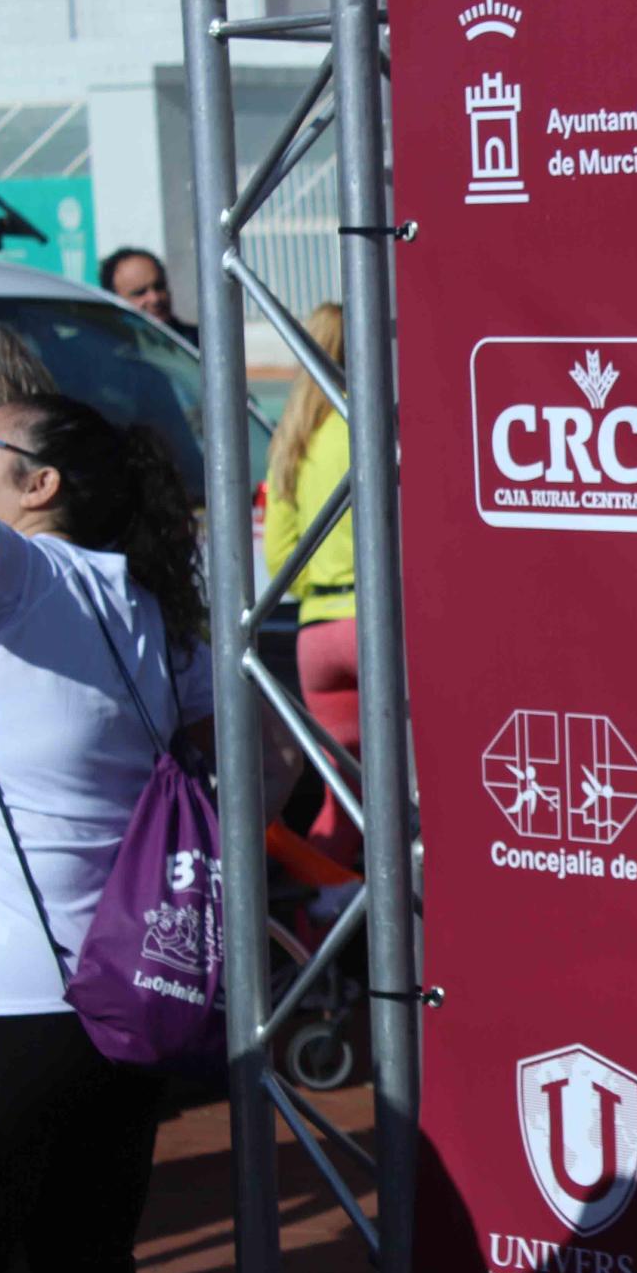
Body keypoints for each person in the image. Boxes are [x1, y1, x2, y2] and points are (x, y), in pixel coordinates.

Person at [0, 392, 292, 1273]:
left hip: (13, 1002)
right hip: (130, 992)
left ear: (38, 484)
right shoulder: (146, 602)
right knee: (85, 1262)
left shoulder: (22, 576)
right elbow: (272, 761)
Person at [265, 302, 360, 868]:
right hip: (378, 625)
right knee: (416, 786)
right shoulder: (373, 427)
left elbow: (279, 555)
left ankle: (322, 911)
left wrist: (323, 577)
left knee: (342, 797)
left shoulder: (290, 440)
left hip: (314, 635)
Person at [100, 248, 198, 346]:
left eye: (159, 287)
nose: (155, 299)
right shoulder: (105, 353)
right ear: (115, 302)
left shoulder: (202, 344)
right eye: (140, 293)